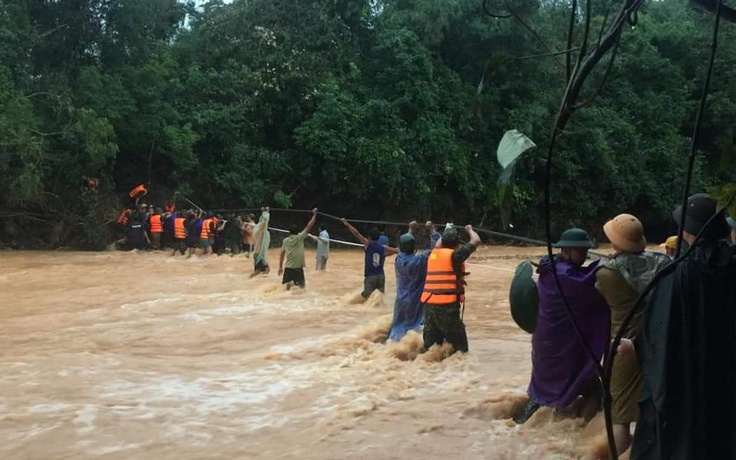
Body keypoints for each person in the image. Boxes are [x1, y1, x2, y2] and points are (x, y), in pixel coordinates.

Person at [624, 193, 736, 460]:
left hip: (684, 385)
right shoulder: (731, 264)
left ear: (685, 231)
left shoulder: (676, 276)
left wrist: (636, 346)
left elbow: (660, 336)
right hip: (726, 379)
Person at [514, 228, 609, 425]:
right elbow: (588, 283)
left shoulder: (550, 267)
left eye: (586, 251)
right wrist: (609, 262)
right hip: (560, 347)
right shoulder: (564, 276)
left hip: (546, 344)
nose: (585, 255)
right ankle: (577, 431)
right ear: (566, 250)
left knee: (543, 390)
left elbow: (582, 275)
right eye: (581, 251)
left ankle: (521, 424)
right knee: (595, 390)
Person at [595, 214, 670, 457]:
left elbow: (600, 294)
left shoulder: (606, 273)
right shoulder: (661, 263)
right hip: (657, 344)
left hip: (623, 347)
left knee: (620, 416)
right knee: (654, 407)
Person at [420, 225, 481, 354]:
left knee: (431, 351)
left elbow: (439, 243)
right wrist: (469, 229)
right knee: (461, 351)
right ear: (457, 243)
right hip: (447, 309)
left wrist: (447, 230)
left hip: (429, 309)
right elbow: (476, 240)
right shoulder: (455, 256)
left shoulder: (433, 253)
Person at [388, 222, 432, 341]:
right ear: (414, 248)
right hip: (415, 300)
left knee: (398, 329)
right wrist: (432, 230)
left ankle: (394, 345)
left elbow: (404, 245)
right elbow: (436, 248)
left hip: (401, 300)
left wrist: (410, 229)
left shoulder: (399, 258)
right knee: (415, 328)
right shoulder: (419, 261)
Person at [342, 219, 399, 300]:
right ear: (379, 237)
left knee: (367, 298)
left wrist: (347, 224)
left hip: (370, 277)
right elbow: (395, 251)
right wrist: (398, 250)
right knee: (380, 299)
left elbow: (357, 234)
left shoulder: (368, 245)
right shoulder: (383, 248)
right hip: (381, 276)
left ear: (369, 237)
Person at [278, 208, 318, 289]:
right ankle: (292, 284)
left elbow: (282, 254)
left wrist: (280, 267)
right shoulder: (299, 237)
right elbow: (309, 226)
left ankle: (290, 284)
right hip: (297, 268)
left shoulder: (285, 241)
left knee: (286, 289)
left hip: (288, 268)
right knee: (301, 288)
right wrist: (314, 215)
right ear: (297, 232)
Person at [250, 208, 272, 277]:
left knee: (264, 270)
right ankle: (250, 278)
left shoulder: (256, 229)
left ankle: (259, 280)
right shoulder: (260, 231)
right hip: (259, 254)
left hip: (257, 253)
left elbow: (264, 223)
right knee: (260, 271)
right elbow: (264, 223)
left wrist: (264, 212)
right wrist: (266, 212)